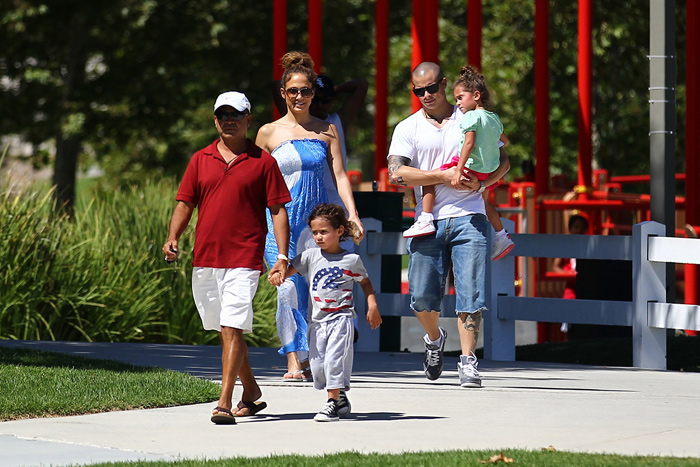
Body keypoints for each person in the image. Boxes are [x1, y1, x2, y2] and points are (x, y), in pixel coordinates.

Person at [162, 91, 292, 424]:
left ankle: (224, 402)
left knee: (232, 326)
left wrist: (281, 255)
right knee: (225, 331)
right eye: (223, 115)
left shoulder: (263, 162)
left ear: (249, 119)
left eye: (236, 115)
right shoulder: (200, 159)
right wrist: (173, 237)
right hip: (206, 258)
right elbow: (185, 203)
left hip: (245, 258)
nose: (229, 120)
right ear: (215, 119)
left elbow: (278, 209)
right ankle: (251, 391)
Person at [387, 62, 510, 388]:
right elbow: (396, 173)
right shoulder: (407, 127)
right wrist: (443, 176)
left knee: (471, 292)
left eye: (431, 88)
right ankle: (434, 337)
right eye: (418, 90)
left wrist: (484, 186)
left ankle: (469, 361)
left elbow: (504, 160)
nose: (425, 95)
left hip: (469, 215)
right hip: (427, 221)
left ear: (443, 85)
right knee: (422, 296)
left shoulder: (471, 115)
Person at [256, 51, 365, 383]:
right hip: (279, 222)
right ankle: (292, 358)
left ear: (313, 93)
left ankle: (309, 356)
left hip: (315, 226)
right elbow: (255, 180)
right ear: (283, 94)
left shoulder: (327, 130)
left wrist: (352, 215)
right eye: (293, 91)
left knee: (312, 290)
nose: (299, 97)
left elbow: (341, 176)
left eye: (305, 91)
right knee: (288, 288)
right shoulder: (268, 133)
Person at [269, 203, 381, 421]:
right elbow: (288, 270)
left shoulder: (351, 260)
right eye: (315, 232)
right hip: (317, 323)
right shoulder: (309, 256)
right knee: (318, 368)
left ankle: (330, 404)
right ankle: (339, 399)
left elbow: (365, 283)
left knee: (334, 362)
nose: (318, 236)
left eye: (324, 232)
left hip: (341, 320)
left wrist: (372, 304)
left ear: (340, 231)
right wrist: (278, 274)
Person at [404, 65, 514, 262]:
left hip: (471, 166)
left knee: (430, 175)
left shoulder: (470, 116)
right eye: (419, 91)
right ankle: (501, 235)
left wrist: (456, 171)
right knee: (485, 202)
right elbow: (504, 142)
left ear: (476, 95)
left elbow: (469, 143)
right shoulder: (493, 117)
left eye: (460, 98)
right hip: (486, 172)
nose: (458, 103)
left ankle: (426, 218)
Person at [273, 74, 369, 212]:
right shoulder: (293, 124)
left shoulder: (336, 123)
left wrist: (334, 89)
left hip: (334, 202)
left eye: (326, 100)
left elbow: (362, 84)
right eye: (316, 99)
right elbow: (277, 85)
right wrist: (303, 86)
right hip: (298, 204)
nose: (319, 105)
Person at [552, 214, 590, 334]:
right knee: (570, 323)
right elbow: (555, 266)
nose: (579, 231)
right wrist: (568, 274)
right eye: (576, 227)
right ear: (570, 229)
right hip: (571, 290)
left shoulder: (589, 246)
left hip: (586, 288)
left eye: (582, 228)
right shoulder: (566, 245)